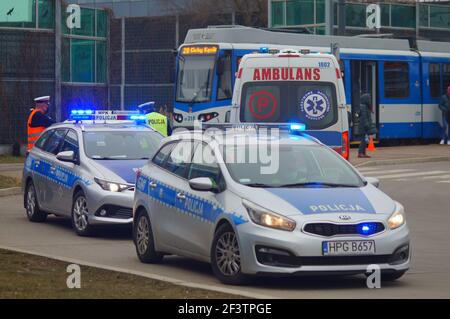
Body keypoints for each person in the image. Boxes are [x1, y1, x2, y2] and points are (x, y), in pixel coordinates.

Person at [354, 93, 377, 158]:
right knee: (363, 140)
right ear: (366, 100)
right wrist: (367, 125)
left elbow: (359, 115)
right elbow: (364, 117)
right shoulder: (363, 107)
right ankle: (360, 153)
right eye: (369, 99)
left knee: (364, 140)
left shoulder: (364, 106)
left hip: (363, 126)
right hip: (363, 126)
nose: (370, 100)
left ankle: (363, 153)